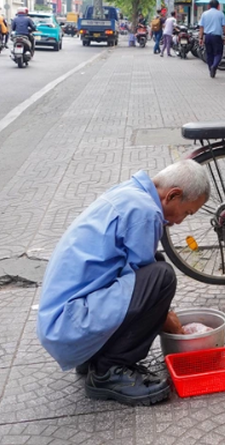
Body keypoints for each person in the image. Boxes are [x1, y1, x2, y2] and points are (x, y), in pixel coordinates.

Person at [37, 160, 210, 406]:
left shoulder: (130, 192)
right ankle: (109, 371)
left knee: (155, 265)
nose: (181, 221)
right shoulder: (145, 211)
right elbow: (148, 287)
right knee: (162, 277)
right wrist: (171, 323)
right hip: (69, 325)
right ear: (173, 195)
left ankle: (96, 356)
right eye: (187, 212)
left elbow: (138, 273)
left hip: (61, 322)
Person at [198, 0, 225, 78]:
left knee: (209, 54)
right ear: (218, 6)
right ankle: (214, 66)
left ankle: (211, 69)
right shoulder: (221, 14)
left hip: (207, 36)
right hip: (217, 37)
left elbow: (201, 27)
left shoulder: (204, 14)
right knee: (218, 54)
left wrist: (200, 38)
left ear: (209, 6)